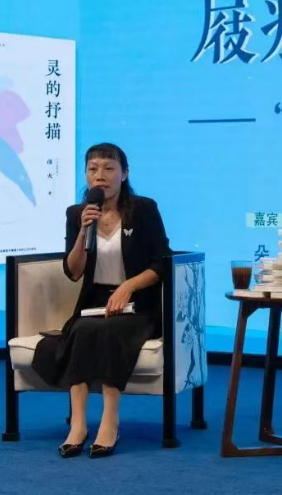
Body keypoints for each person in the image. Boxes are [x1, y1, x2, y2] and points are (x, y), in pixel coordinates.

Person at [32, 143, 171, 458]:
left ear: (124, 174)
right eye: (93, 169)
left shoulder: (144, 209)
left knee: (106, 330)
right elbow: (73, 272)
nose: (100, 176)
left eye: (109, 168)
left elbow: (162, 263)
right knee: (82, 329)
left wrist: (129, 286)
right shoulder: (77, 214)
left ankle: (109, 420)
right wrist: (83, 232)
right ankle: (78, 424)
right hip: (95, 303)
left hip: (140, 305)